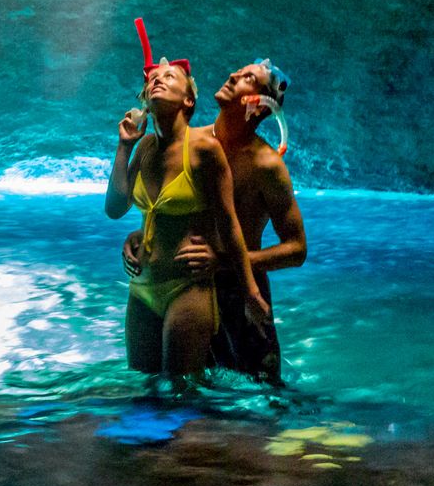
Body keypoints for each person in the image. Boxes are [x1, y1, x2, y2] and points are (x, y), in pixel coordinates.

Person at [123, 60, 306, 386]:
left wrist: (224, 261)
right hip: (187, 284)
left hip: (241, 293)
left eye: (248, 78)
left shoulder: (266, 166)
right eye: (237, 70)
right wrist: (142, 235)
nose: (233, 74)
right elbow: (168, 206)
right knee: (177, 391)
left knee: (261, 397)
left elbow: (297, 249)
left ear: (261, 107)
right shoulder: (191, 143)